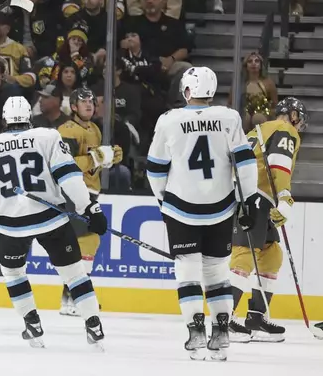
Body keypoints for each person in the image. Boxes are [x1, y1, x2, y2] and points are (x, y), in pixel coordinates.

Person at [0, 96, 108, 349]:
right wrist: (88, 207)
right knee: (74, 273)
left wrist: (5, 211)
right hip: (51, 219)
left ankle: (31, 323)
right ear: (29, 117)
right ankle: (93, 324)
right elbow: (69, 177)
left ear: (4, 119)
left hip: (9, 225)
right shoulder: (48, 136)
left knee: (13, 273)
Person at [146, 67, 259, 360]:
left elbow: (155, 168)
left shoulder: (169, 120)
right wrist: (247, 200)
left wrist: (163, 200)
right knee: (216, 272)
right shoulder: (229, 117)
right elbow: (245, 164)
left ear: (186, 91)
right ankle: (220, 332)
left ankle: (195, 330)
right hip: (221, 207)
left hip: (181, 207)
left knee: (187, 270)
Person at [228, 97, 307, 343]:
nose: (300, 123)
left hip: (250, 195)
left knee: (271, 254)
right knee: (244, 255)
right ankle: (223, 321)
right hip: (254, 196)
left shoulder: (258, 129)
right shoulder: (286, 129)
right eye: (299, 117)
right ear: (293, 115)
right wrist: (284, 198)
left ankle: (255, 317)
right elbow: (278, 165)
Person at [57, 87, 122, 316]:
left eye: (91, 102)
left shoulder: (94, 128)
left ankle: (69, 299)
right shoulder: (67, 130)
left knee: (85, 245)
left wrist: (109, 159)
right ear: (73, 106)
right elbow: (66, 165)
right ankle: (76, 299)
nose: (88, 106)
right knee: (87, 242)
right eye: (83, 102)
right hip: (73, 192)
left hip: (89, 191)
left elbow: (93, 163)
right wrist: (96, 157)